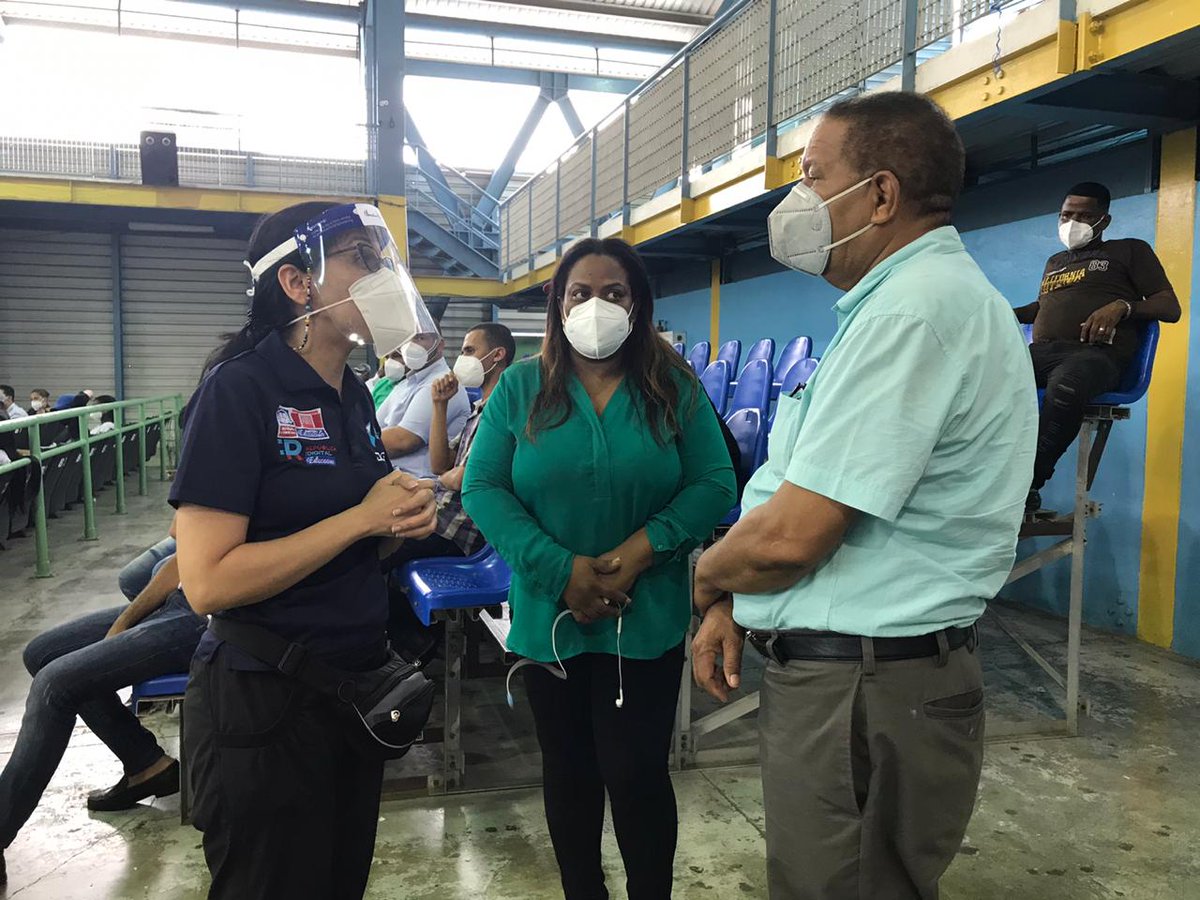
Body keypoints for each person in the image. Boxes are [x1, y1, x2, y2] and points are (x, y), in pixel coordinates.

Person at [690, 92, 1038, 900]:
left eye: (814, 176)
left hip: (863, 693)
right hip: (866, 681)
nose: (798, 199)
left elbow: (793, 536)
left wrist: (705, 577)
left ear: (880, 195)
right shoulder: (902, 304)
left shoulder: (912, 314)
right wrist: (739, 601)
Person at [171, 201, 438, 900]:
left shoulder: (352, 395)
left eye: (381, 259)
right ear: (297, 283)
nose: (382, 275)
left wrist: (394, 524)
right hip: (266, 700)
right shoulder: (240, 390)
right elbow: (207, 582)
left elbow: (350, 534)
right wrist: (358, 520)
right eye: (361, 259)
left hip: (350, 690)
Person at [463, 238, 736, 900]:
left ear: (637, 305)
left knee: (637, 774)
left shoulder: (673, 386)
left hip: (644, 619)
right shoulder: (520, 387)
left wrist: (642, 551)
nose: (596, 306)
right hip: (549, 619)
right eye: (579, 293)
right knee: (569, 774)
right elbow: (483, 487)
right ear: (558, 306)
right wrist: (560, 569)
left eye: (614, 293)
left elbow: (714, 482)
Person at [0, 539, 206, 886]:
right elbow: (183, 554)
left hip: (204, 616)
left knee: (55, 685)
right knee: (42, 653)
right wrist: (126, 620)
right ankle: (145, 764)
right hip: (177, 600)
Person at [1014, 181, 1180, 512]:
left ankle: (1025, 484)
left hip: (1096, 356)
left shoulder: (1129, 251)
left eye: (1084, 216)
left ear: (1104, 220)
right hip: (1042, 354)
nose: (1072, 223)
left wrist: (1122, 306)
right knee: (975, 374)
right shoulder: (1056, 261)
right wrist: (1000, 313)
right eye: (1066, 215)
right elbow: (1042, 308)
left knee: (1068, 382)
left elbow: (1169, 307)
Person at [377, 330, 471, 478]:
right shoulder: (405, 383)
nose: (410, 346)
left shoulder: (441, 384)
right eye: (407, 339)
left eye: (419, 338)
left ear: (439, 345)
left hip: (417, 482)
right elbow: (373, 425)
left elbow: (403, 441)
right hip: (391, 476)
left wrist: (355, 441)